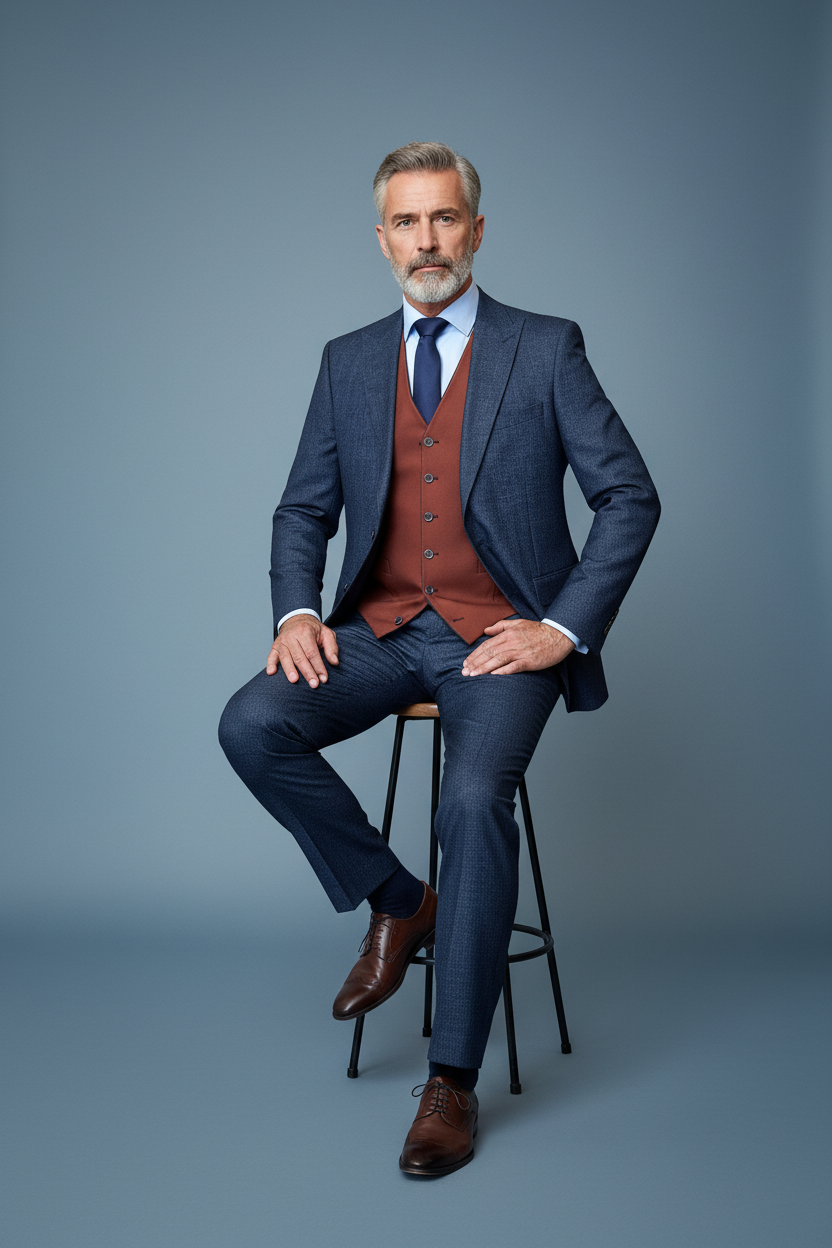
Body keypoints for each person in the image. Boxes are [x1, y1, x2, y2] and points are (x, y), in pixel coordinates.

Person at [219, 141, 660, 1177]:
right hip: (378, 632)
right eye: (407, 223)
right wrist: (293, 612)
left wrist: (561, 627)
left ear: (476, 228)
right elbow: (302, 508)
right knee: (250, 724)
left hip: (498, 640)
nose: (427, 240)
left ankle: (450, 1080)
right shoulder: (347, 359)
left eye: (445, 219)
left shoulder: (544, 348)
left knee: (469, 803)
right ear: (382, 240)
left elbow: (628, 496)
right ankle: (395, 898)